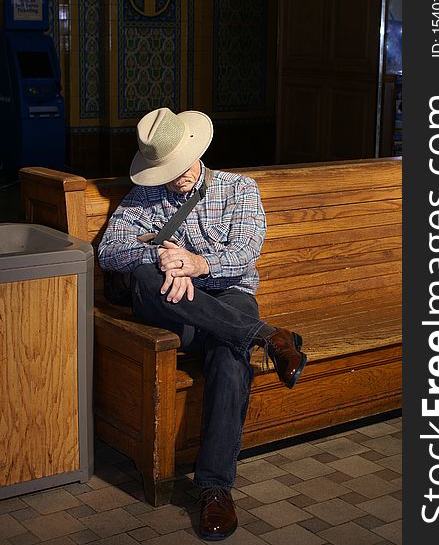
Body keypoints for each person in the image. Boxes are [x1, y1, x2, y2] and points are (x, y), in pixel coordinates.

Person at [98, 107, 307, 541]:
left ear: (196, 150)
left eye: (178, 167)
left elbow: (245, 254)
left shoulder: (239, 190)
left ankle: (215, 490)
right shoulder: (145, 197)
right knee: (143, 275)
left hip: (228, 299)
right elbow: (109, 250)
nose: (175, 178)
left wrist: (197, 264)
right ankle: (269, 337)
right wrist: (158, 256)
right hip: (172, 316)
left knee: (230, 358)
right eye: (165, 170)